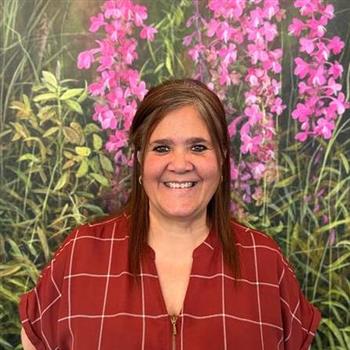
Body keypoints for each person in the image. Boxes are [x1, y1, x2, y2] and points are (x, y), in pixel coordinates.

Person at [20, 79, 321, 349]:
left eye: (198, 147)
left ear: (222, 157)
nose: (180, 164)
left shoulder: (265, 262)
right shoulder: (81, 256)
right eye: (162, 148)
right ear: (140, 159)